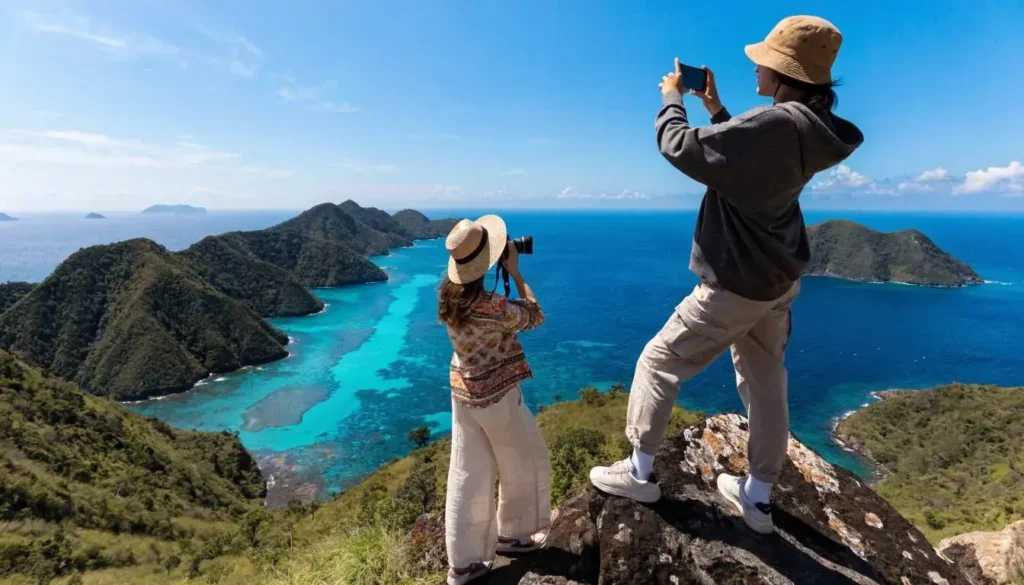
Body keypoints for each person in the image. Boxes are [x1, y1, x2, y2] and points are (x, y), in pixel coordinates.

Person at [589, 15, 864, 535]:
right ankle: (757, 497)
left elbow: (682, 147)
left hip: (735, 285)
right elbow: (751, 157)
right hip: (777, 281)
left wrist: (673, 98)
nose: (756, 65)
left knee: (659, 360)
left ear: (783, 73)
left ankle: (640, 471)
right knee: (764, 386)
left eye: (764, 60)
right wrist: (715, 108)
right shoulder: (805, 128)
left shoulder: (777, 125)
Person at [439, 215, 552, 585]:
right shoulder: (491, 306)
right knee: (525, 459)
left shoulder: (448, 297)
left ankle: (464, 563)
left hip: (462, 389)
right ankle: (515, 535)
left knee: (467, 470)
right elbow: (535, 316)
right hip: (497, 394)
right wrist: (516, 273)